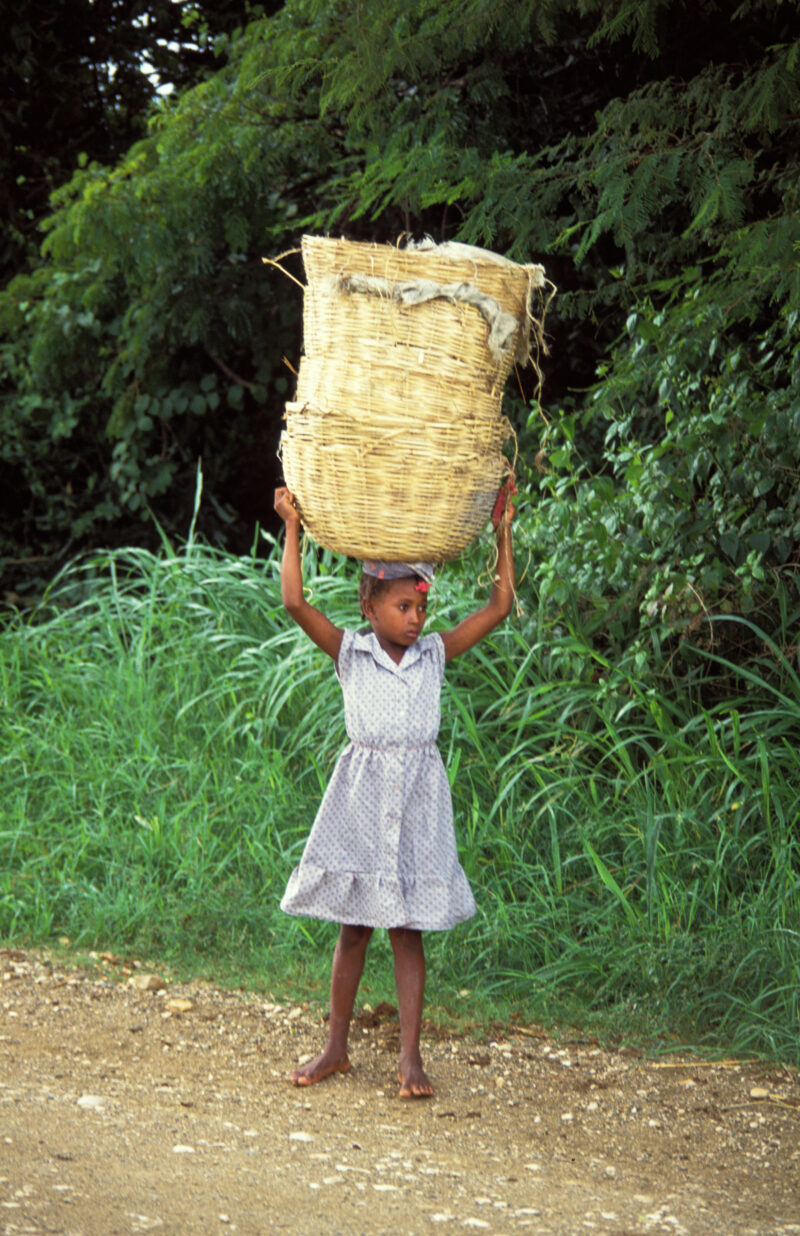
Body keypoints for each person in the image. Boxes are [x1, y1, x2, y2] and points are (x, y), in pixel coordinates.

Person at [273, 484, 515, 1098]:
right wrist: (292, 527)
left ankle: (410, 1058)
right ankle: (335, 1047)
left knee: (406, 929)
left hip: (417, 802)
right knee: (353, 927)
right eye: (404, 606)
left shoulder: (434, 654)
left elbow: (499, 606)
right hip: (359, 801)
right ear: (371, 603)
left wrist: (501, 531)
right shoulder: (350, 653)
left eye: (421, 608)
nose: (416, 618)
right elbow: (296, 602)